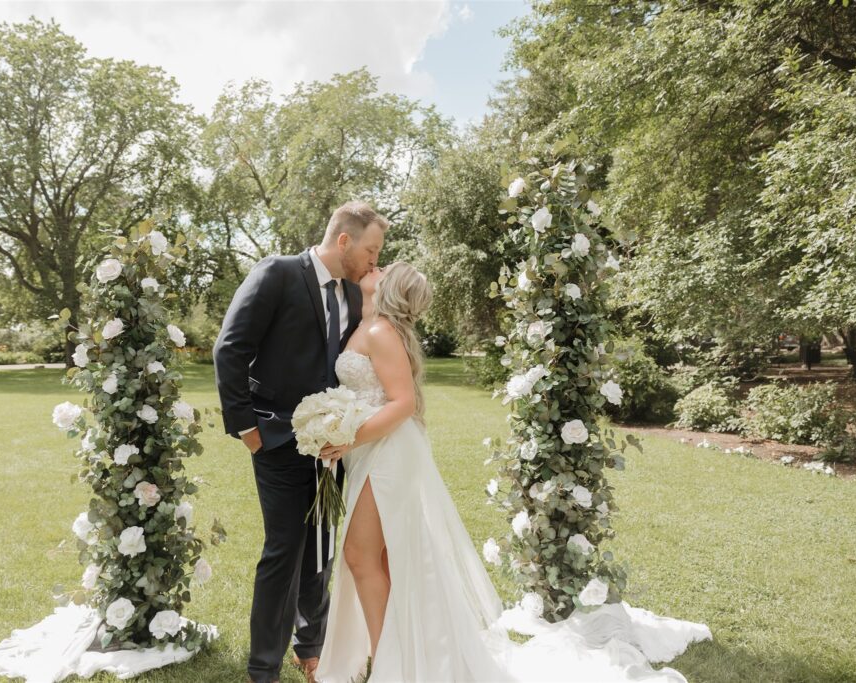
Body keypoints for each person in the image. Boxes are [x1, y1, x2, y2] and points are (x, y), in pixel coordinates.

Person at [314, 262, 709, 683]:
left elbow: (403, 403)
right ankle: (401, 656)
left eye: (384, 266)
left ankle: (387, 663)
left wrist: (347, 438)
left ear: (390, 288)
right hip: (372, 448)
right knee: (388, 557)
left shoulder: (380, 332)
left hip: (386, 452)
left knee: (361, 555)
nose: (376, 265)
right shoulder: (367, 323)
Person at [213, 200, 388, 683]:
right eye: (372, 250)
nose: (376, 260)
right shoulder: (277, 273)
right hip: (275, 439)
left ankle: (311, 649)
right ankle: (262, 669)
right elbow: (230, 349)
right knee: (285, 549)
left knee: (322, 547)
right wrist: (248, 431)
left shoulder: (353, 292)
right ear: (344, 240)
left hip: (333, 443)